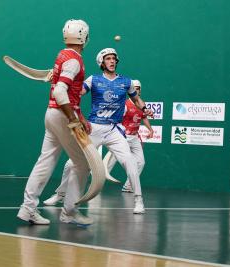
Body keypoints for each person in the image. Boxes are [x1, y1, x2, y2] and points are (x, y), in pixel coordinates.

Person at [43, 48, 153, 215]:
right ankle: (60, 194)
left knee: (130, 162)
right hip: (94, 128)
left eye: (114, 59)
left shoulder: (126, 81)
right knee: (72, 163)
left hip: (114, 130)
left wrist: (145, 109)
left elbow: (135, 98)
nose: (112, 61)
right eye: (108, 59)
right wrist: (58, 80)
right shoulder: (93, 79)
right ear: (102, 62)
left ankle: (139, 200)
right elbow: (77, 91)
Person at [17, 19, 91, 225]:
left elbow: (67, 90)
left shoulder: (62, 55)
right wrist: (73, 119)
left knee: (45, 161)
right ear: (84, 37)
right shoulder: (74, 60)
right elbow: (60, 91)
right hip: (62, 116)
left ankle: (28, 209)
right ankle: (69, 212)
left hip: (51, 114)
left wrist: (79, 116)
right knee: (82, 164)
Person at [106, 80, 154, 193]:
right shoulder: (125, 105)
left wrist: (150, 129)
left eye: (138, 88)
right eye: (135, 88)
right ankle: (97, 181)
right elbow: (117, 119)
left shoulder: (142, 104)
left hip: (135, 137)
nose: (137, 90)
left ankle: (128, 186)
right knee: (111, 161)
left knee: (140, 162)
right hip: (124, 137)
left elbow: (144, 117)